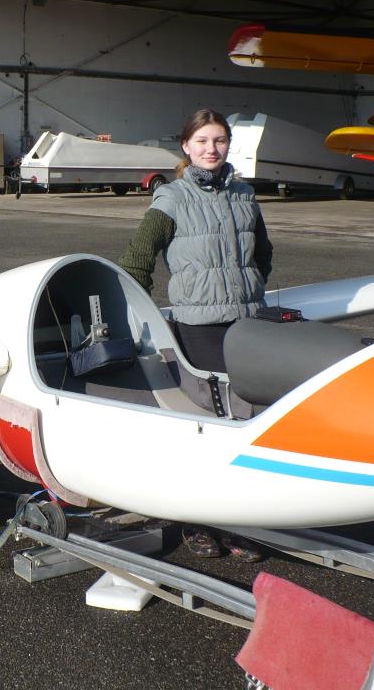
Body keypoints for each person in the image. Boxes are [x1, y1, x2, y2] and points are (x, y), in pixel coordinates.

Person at [119, 108, 272, 560]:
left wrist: (249, 289)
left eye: (219, 140)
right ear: (186, 146)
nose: (212, 149)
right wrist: (136, 318)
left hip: (246, 321)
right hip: (199, 327)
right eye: (202, 141)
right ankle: (195, 520)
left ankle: (235, 519)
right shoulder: (171, 197)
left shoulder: (244, 194)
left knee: (246, 421)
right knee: (206, 426)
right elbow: (137, 258)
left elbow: (262, 253)